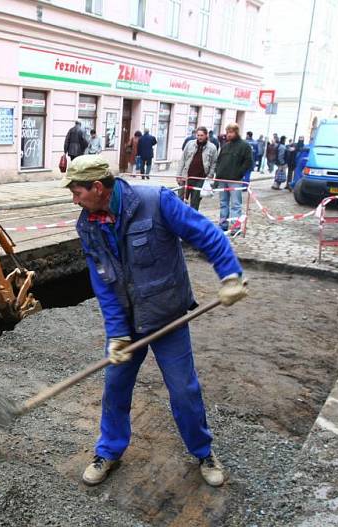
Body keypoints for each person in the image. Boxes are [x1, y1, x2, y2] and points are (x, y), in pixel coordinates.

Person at [61, 154, 248, 488]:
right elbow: (103, 283)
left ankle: (203, 452)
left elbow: (206, 234)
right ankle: (109, 450)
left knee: (183, 391)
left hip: (166, 319)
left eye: (77, 192)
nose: (74, 200)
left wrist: (230, 274)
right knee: (115, 388)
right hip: (128, 324)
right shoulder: (87, 224)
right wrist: (117, 333)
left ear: (98, 187)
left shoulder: (156, 202)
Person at [215, 123, 253, 233]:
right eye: (227, 132)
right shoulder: (225, 146)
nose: (228, 135)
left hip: (234, 180)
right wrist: (218, 173)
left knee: (236, 204)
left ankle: (235, 227)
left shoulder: (244, 146)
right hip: (222, 179)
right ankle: (223, 224)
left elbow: (248, 162)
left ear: (236, 132)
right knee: (223, 203)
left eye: (231, 132)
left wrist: (239, 173)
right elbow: (219, 161)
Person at [177, 126, 217, 212]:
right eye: (198, 135)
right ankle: (179, 220)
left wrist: (210, 175)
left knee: (195, 203)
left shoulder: (212, 147)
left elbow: (214, 163)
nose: (199, 137)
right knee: (180, 200)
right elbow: (182, 160)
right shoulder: (190, 144)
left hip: (200, 179)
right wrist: (178, 175)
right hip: (186, 177)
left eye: (201, 135)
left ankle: (192, 220)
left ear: (206, 135)